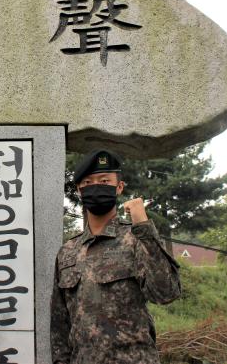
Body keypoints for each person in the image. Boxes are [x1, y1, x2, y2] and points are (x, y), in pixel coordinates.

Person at [50, 150, 181, 364]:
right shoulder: (68, 251)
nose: (96, 187)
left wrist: (143, 225)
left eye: (104, 181)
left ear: (119, 187)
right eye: (88, 182)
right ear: (80, 191)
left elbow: (166, 293)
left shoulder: (136, 238)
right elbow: (59, 323)